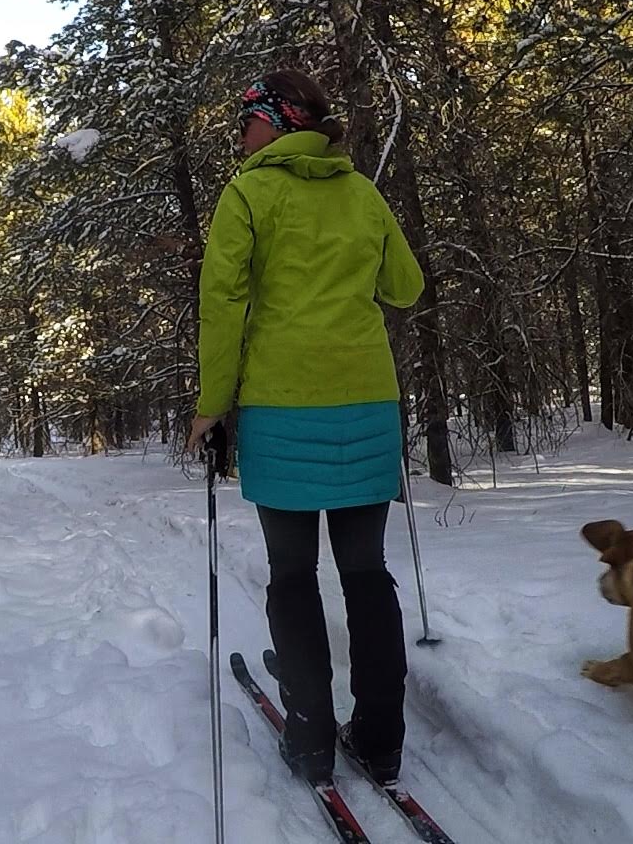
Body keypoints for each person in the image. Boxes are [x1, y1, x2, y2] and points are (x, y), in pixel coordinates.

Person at [186, 69, 424, 786]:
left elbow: (222, 305)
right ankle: (380, 740)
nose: (238, 134)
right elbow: (404, 287)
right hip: (364, 404)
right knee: (365, 574)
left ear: (278, 122)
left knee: (292, 576)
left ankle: (311, 739)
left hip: (281, 405)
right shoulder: (359, 191)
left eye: (246, 119)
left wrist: (210, 406)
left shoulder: (249, 193)